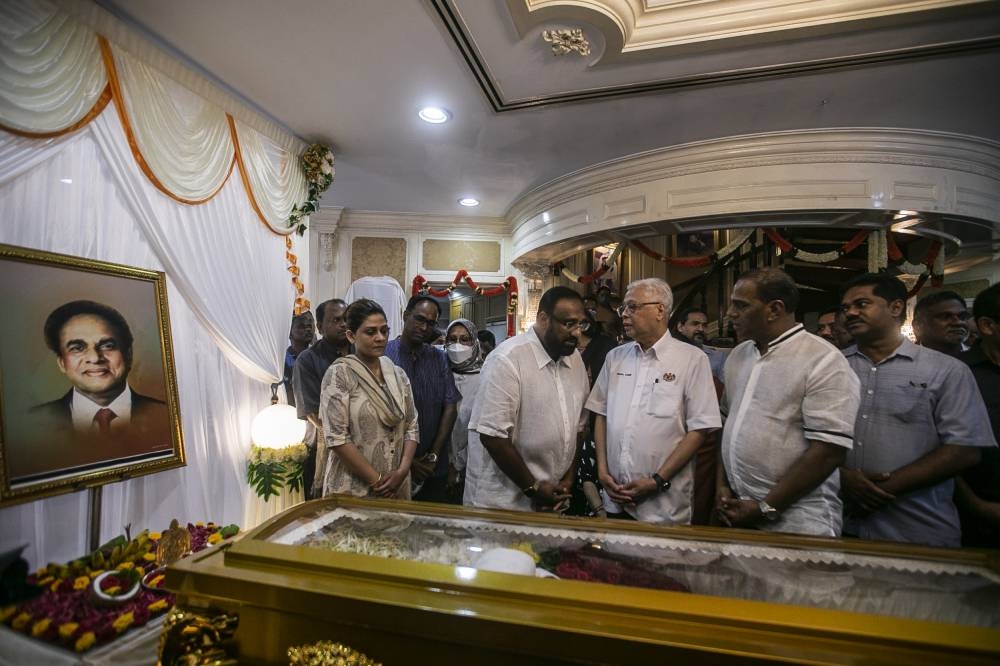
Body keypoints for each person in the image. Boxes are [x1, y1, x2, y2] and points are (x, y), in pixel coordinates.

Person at [838, 273, 995, 547]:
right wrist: (842, 477)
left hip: (918, 529)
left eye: (861, 304)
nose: (850, 312)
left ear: (896, 308)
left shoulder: (946, 370)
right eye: (845, 308)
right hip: (840, 524)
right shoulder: (832, 366)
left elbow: (965, 450)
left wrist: (878, 490)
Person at [717, 268, 860, 536]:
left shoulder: (823, 359)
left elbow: (828, 451)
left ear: (775, 309)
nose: (730, 314)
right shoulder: (739, 355)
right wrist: (721, 487)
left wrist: (767, 507)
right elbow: (728, 427)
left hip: (801, 519)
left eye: (741, 306)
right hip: (739, 509)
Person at [587, 278, 721, 524]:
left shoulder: (692, 359)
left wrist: (657, 480)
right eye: (623, 309)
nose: (625, 315)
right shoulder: (615, 357)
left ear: (660, 310)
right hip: (615, 496)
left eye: (632, 307)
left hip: (664, 503)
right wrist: (603, 471)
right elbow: (601, 414)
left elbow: (699, 429)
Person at [465, 286, 589, 512]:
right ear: (543, 319)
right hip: (503, 503)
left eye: (581, 324)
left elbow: (578, 429)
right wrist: (532, 487)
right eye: (569, 324)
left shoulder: (576, 362)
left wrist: (568, 480)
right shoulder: (507, 359)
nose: (577, 333)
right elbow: (493, 436)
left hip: (553, 498)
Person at [20, 300, 170, 480]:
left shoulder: (164, 415)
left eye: (107, 345)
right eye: (77, 348)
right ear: (61, 363)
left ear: (128, 355)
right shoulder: (33, 426)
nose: (95, 358)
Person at [317, 299, 418, 499]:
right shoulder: (340, 374)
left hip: (397, 484)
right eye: (371, 332)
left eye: (384, 330)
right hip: (353, 487)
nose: (380, 338)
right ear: (351, 335)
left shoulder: (398, 375)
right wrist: (378, 481)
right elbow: (337, 438)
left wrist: (402, 471)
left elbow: (412, 425)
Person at [385, 295, 460, 502]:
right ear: (405, 315)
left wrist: (433, 456)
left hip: (433, 467)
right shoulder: (384, 356)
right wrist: (408, 461)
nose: (424, 327)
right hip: (392, 466)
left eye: (431, 323)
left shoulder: (439, 358)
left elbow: (450, 406)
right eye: (419, 319)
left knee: (431, 530)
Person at [293, 299, 350, 498]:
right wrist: (346, 440)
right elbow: (312, 413)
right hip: (323, 449)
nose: (343, 324)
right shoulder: (307, 359)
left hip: (361, 449)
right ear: (320, 326)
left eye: (346, 319)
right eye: (336, 320)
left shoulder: (360, 353)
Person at [957, 283, 1000, 547]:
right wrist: (977, 506)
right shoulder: (956, 374)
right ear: (987, 326)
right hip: (974, 517)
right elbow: (937, 447)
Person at [444, 318, 484, 502]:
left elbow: (479, 430)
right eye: (452, 339)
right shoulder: (440, 373)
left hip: (471, 466)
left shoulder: (484, 379)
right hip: (436, 465)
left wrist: (457, 464)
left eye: (464, 339)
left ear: (474, 342)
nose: (457, 345)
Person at [673, 306, 728, 381]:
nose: (701, 329)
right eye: (695, 324)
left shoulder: (718, 357)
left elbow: (726, 389)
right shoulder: (668, 354)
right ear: (680, 327)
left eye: (704, 325)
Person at [912, 290, 971, 357]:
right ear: (918, 326)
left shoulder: (979, 358)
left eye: (962, 317)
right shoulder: (902, 362)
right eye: (945, 317)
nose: (958, 322)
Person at [283, 310, 315, 407]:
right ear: (289, 332)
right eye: (302, 326)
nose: (308, 329)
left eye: (310, 326)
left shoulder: (318, 356)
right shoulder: (284, 360)